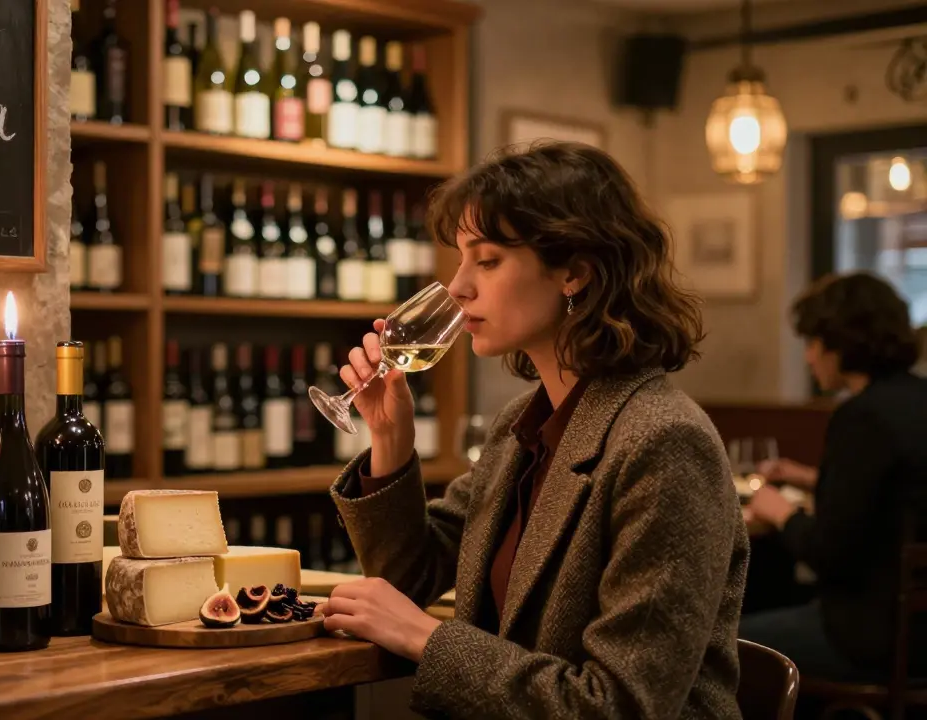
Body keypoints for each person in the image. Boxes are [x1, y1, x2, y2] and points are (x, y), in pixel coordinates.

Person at [318, 141, 749, 718]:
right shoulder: (523, 424)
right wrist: (390, 443)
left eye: (487, 260)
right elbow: (410, 578)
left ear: (574, 271)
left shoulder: (664, 441)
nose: (457, 287)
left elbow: (621, 705)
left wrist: (426, 638)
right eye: (461, 258)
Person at [742, 272, 927, 681]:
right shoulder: (916, 399)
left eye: (812, 342)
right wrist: (808, 477)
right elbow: (898, 488)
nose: (808, 357)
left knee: (720, 645)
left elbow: (829, 553)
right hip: (917, 630)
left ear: (840, 343)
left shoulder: (861, 417)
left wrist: (778, 510)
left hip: (875, 639)